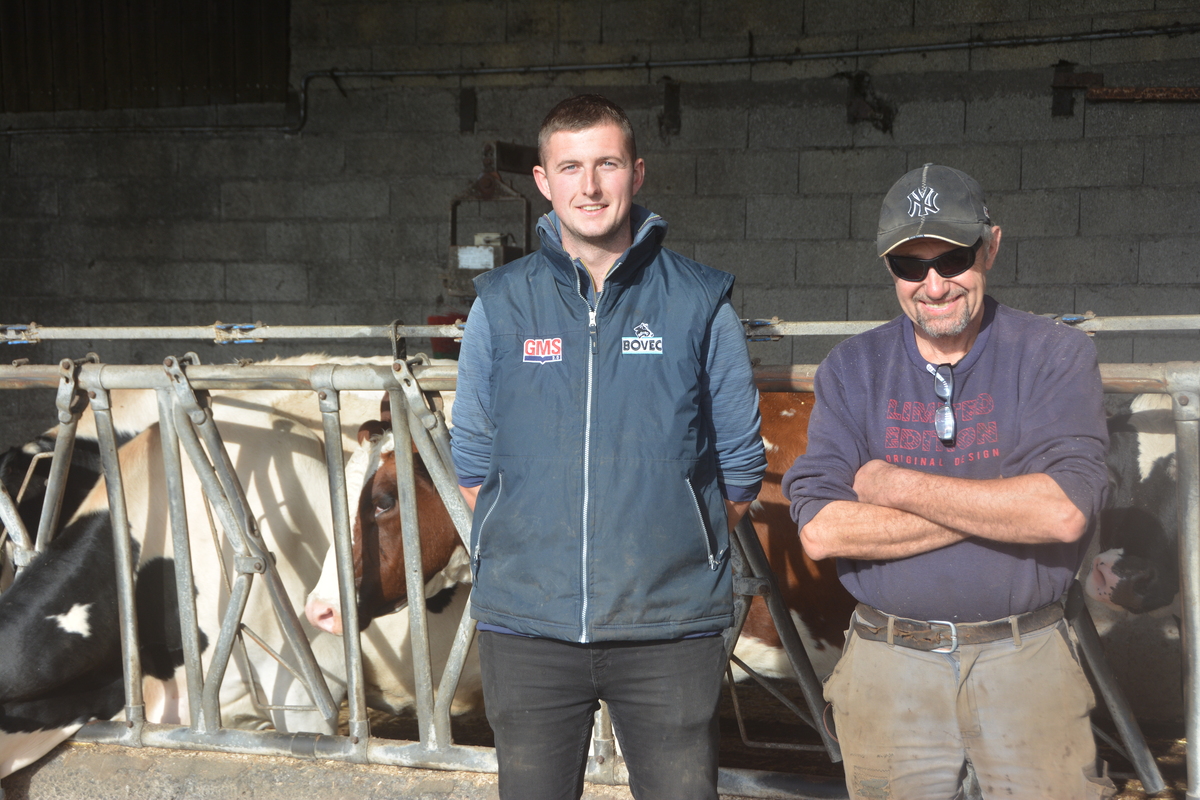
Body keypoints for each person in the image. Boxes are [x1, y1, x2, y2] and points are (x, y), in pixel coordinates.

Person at [449, 94, 766, 800]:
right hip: (530, 625)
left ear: (638, 172)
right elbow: (471, 454)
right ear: (543, 180)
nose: (589, 187)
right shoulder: (500, 303)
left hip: (668, 627)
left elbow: (741, 463)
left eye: (607, 165)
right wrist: (527, 542)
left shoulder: (698, 301)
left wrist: (683, 546)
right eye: (570, 167)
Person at [783, 164, 1116, 800]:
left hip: (1025, 659)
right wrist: (1000, 499)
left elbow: (1063, 513)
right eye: (911, 264)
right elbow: (824, 531)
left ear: (990, 245)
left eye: (954, 258)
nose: (934, 284)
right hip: (888, 664)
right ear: (889, 268)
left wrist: (890, 482)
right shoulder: (853, 369)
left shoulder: (1052, 354)